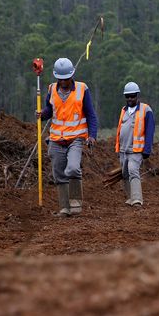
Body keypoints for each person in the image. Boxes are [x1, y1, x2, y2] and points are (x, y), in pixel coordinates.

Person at [36, 57, 98, 217]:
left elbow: (91, 114)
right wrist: (42, 114)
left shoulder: (82, 89)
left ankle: (76, 203)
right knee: (58, 173)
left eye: (66, 79)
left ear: (72, 75)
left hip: (76, 138)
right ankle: (64, 208)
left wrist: (92, 136)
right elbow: (50, 110)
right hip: (56, 139)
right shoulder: (51, 89)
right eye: (60, 79)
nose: (63, 82)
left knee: (73, 168)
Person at [115, 81, 155, 206]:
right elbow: (120, 129)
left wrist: (147, 149)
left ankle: (137, 199)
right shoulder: (123, 110)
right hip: (123, 149)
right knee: (125, 173)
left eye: (132, 96)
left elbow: (150, 130)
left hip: (136, 150)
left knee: (133, 171)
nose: (130, 98)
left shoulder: (146, 109)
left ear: (137, 95)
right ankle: (130, 197)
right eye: (128, 96)